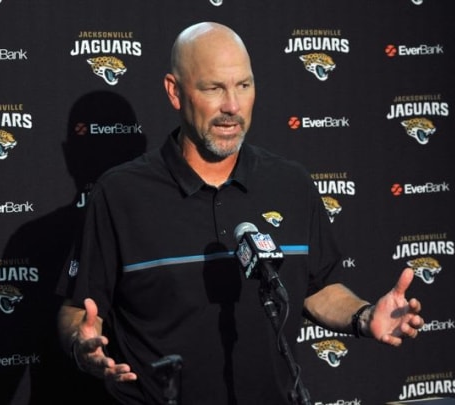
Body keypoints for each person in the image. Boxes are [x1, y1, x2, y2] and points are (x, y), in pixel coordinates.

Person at [56, 21, 424, 405]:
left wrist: (365, 317)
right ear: (175, 91)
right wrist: (83, 344)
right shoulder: (119, 194)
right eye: (214, 88)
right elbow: (78, 310)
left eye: (243, 86)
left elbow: (317, 289)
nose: (232, 106)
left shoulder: (291, 183)